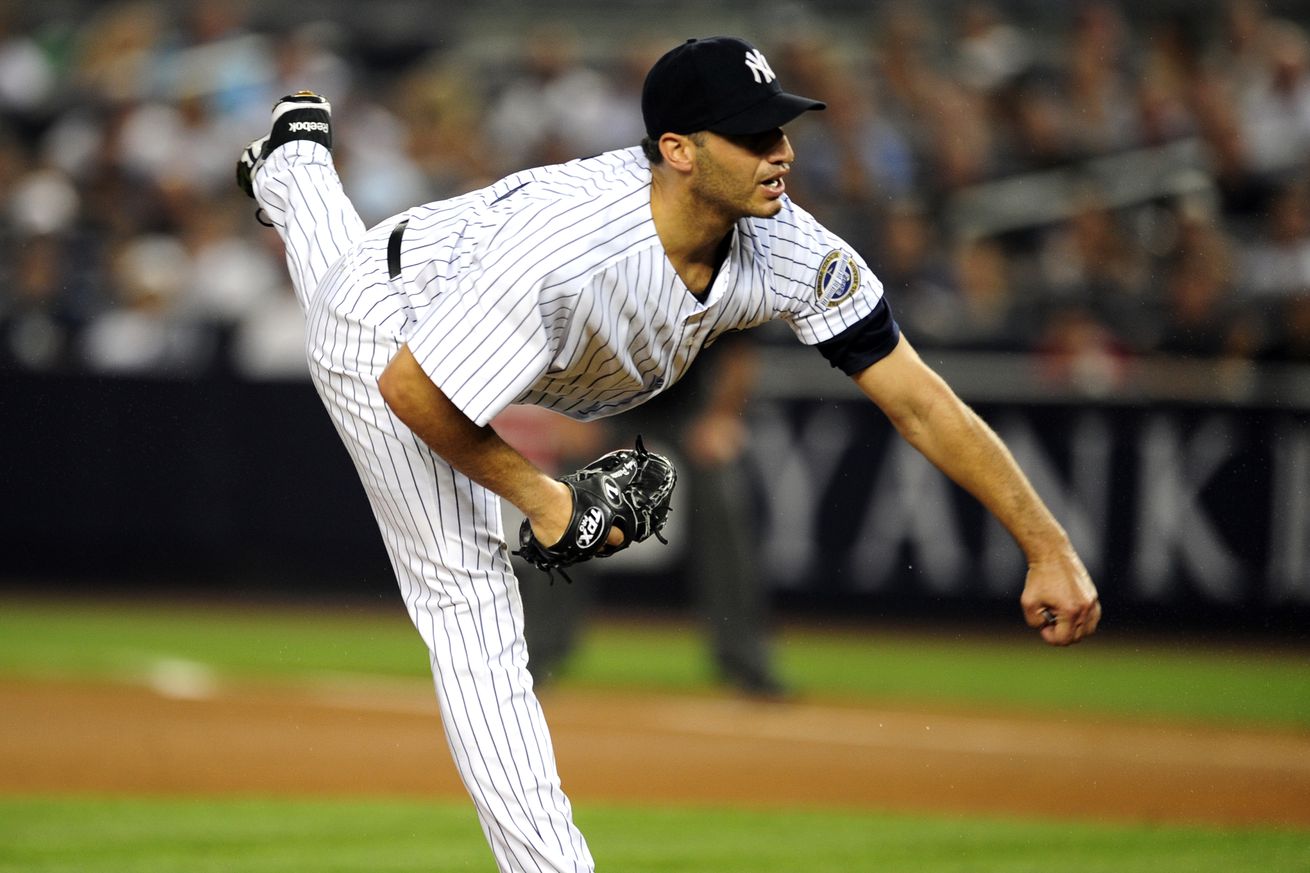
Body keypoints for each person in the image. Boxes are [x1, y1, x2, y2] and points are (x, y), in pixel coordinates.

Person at [235, 35, 1101, 873]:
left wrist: (1048, 546)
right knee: (471, 601)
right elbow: (412, 390)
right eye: (755, 135)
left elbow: (919, 398)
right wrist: (544, 498)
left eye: (784, 129)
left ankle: (294, 169)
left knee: (353, 284)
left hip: (478, 308)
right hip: (398, 333)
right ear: (679, 150)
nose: (783, 152)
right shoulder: (570, 251)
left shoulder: (787, 245)